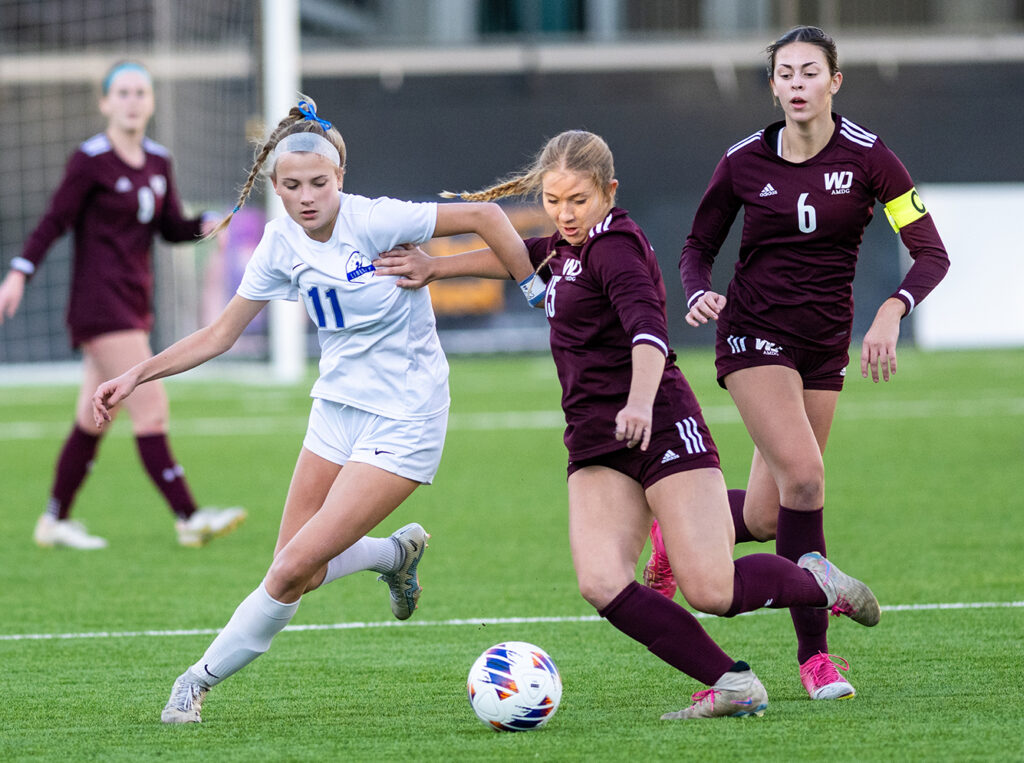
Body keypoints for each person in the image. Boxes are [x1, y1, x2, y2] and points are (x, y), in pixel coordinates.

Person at [373, 129, 880, 720]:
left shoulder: (617, 247)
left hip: (662, 427)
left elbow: (649, 332)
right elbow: (524, 256)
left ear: (609, 192)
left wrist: (639, 402)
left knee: (712, 591)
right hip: (594, 442)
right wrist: (436, 267)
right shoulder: (565, 248)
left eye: (578, 201)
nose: (564, 214)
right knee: (601, 581)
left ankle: (818, 581)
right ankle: (733, 683)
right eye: (555, 200)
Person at [91, 98, 546, 724]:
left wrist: (533, 291)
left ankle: (194, 683)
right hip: (334, 411)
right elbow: (218, 336)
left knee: (289, 570)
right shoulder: (280, 243)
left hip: (405, 417)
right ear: (275, 187)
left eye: (319, 183)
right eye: (293, 186)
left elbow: (490, 217)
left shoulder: (380, 220)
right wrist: (135, 372)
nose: (307, 197)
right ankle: (394, 556)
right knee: (298, 573)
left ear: (341, 179)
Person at [645, 25, 949, 701]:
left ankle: (676, 525)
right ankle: (817, 660)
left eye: (811, 72)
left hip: (823, 344)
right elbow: (697, 245)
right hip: (753, 334)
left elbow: (932, 252)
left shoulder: (872, 158)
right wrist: (697, 290)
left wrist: (892, 311)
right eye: (786, 74)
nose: (798, 85)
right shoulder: (744, 158)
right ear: (775, 84)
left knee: (763, 516)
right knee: (807, 479)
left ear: (834, 82)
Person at [0, 60, 246, 549]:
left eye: (141, 92)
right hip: (99, 305)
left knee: (95, 415)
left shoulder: (158, 161)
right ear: (105, 103)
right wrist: (19, 272)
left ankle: (54, 520)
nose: (133, 101)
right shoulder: (90, 159)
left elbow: (171, 227)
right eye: (123, 92)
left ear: (152, 102)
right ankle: (188, 517)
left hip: (134, 302)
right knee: (150, 403)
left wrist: (207, 223)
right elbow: (53, 221)